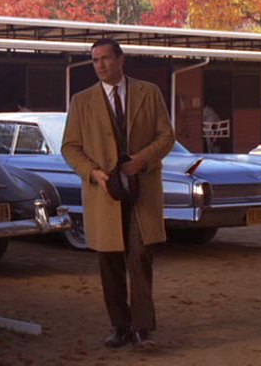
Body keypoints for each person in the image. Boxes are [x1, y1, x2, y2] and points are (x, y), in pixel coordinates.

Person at [61, 38, 175, 350]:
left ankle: (142, 328)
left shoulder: (148, 92)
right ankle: (119, 326)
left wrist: (142, 160)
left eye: (105, 58)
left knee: (140, 258)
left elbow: (167, 135)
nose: (100, 65)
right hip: (104, 194)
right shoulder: (82, 101)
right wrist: (93, 173)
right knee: (109, 261)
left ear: (120, 59)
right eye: (95, 60)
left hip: (142, 190)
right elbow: (70, 147)